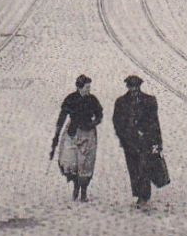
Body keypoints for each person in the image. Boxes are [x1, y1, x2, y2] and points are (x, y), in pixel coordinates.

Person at [112, 75, 164, 207]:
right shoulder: (121, 102)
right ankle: (138, 193)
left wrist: (158, 143)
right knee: (133, 168)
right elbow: (116, 122)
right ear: (127, 87)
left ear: (139, 86)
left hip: (146, 140)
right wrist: (122, 137)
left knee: (144, 166)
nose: (134, 89)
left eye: (136, 87)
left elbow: (155, 122)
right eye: (131, 87)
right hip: (129, 141)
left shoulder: (149, 101)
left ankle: (144, 196)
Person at [50, 74, 103, 202]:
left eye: (89, 87)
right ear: (79, 87)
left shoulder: (92, 100)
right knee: (71, 162)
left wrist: (94, 123)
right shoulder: (70, 99)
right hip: (72, 133)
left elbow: (99, 115)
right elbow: (62, 117)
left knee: (86, 163)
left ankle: (83, 191)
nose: (88, 90)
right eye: (86, 87)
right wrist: (56, 136)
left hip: (88, 134)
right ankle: (76, 186)